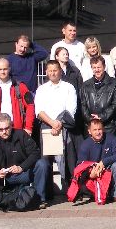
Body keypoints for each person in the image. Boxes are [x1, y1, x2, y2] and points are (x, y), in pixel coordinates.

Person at [0, 113, 50, 210]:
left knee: (42, 164)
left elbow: (35, 153)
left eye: (7, 128)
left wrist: (22, 167)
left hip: (23, 174)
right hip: (3, 177)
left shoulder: (21, 135)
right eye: (0, 129)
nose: (4, 132)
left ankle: (39, 199)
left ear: (11, 125)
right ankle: (2, 193)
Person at [34, 60, 78, 189]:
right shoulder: (41, 89)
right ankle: (47, 192)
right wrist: (52, 123)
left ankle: (70, 190)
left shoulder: (68, 87)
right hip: (46, 128)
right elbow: (39, 111)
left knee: (67, 161)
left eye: (55, 70)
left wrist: (58, 124)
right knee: (46, 162)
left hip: (64, 127)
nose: (53, 73)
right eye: (50, 71)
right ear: (46, 72)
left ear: (60, 71)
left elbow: (71, 109)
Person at [75, 119, 116, 204]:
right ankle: (94, 194)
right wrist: (90, 173)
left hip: (108, 167)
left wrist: (104, 162)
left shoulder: (111, 138)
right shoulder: (85, 144)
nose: (98, 132)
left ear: (103, 129)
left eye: (99, 129)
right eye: (95, 130)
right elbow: (81, 164)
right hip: (93, 172)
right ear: (89, 131)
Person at [0, 58, 35, 138]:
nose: (2, 72)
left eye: (5, 69)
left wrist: (28, 127)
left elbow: (30, 106)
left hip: (17, 130)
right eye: (0, 69)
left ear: (9, 69)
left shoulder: (21, 87)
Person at [79, 55, 116, 135]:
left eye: (99, 67)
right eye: (94, 67)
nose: (97, 70)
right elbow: (83, 104)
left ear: (104, 67)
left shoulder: (115, 84)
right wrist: (91, 119)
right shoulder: (85, 85)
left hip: (109, 127)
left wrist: (101, 116)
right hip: (91, 126)